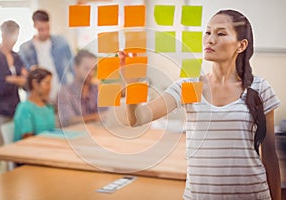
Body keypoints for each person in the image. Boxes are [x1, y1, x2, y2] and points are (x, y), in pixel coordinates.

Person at [119, 10, 281, 200]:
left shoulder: (260, 88)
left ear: (241, 45)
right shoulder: (189, 87)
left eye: (220, 33)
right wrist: (131, 85)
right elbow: (138, 118)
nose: (210, 40)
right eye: (207, 32)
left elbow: (270, 155)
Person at [0, 20, 27, 178]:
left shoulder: (17, 57)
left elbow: (26, 81)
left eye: (16, 35)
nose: (13, 39)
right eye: (11, 35)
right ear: (3, 34)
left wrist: (11, 78)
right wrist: (17, 79)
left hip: (14, 108)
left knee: (14, 149)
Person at [19, 9, 73, 103]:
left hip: (60, 95)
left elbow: (73, 66)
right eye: (41, 30)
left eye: (47, 28)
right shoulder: (25, 49)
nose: (45, 33)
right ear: (34, 26)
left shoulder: (61, 42)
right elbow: (24, 77)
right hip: (39, 98)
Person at [58, 50, 104, 127]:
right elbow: (69, 120)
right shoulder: (64, 91)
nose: (91, 73)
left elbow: (108, 113)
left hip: (97, 133)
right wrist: (96, 117)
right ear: (76, 68)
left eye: (93, 69)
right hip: (75, 136)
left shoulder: (97, 88)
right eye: (87, 69)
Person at [13, 67, 55, 142]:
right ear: (35, 84)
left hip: (47, 147)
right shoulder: (24, 108)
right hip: (29, 150)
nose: (50, 87)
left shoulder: (48, 106)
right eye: (47, 83)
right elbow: (28, 139)